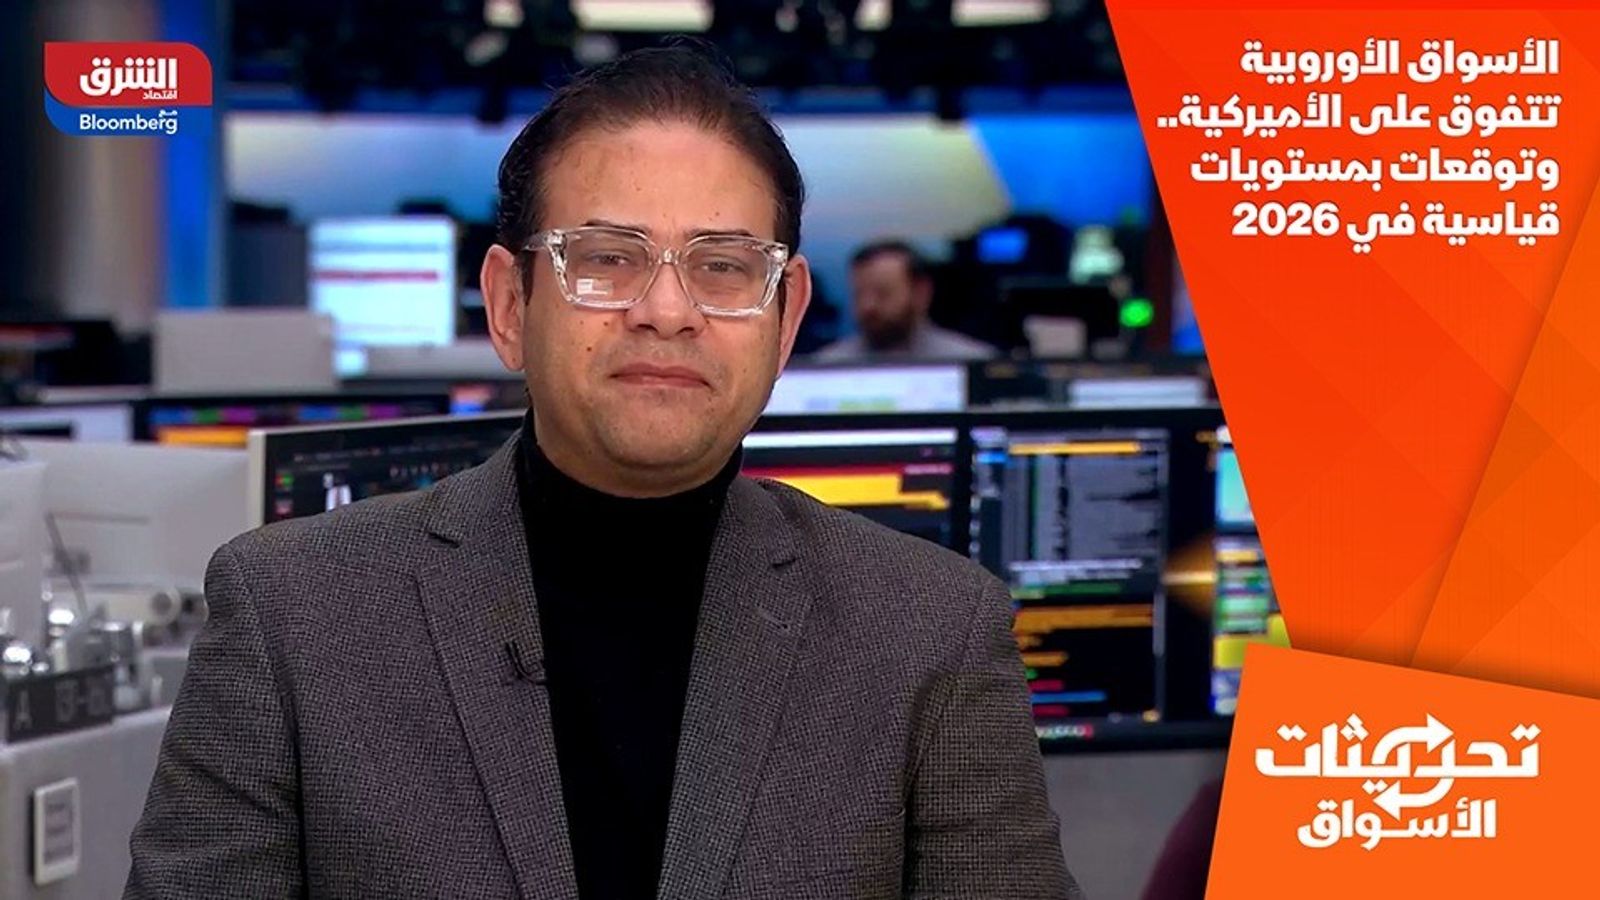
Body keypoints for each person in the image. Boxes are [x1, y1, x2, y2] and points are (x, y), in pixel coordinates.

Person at [126, 44, 1076, 900]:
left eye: (723, 266)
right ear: (510, 306)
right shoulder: (292, 617)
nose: (666, 310)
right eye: (608, 258)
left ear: (785, 320)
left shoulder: (931, 632)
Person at [812, 240, 997, 362]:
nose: (868, 306)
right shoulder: (825, 367)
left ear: (921, 293)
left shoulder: (973, 363)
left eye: (882, 294)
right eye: (859, 294)